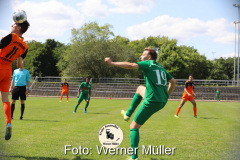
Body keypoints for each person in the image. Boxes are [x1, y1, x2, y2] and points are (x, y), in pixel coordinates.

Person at [105, 48, 176, 160]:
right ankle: (128, 114)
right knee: (140, 88)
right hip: (162, 101)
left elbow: (131, 65)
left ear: (148, 57)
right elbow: (173, 82)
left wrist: (112, 63)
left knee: (134, 127)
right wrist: (167, 94)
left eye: (143, 55)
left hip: (152, 101)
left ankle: (134, 157)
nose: (140, 57)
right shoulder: (160, 68)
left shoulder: (148, 64)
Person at [0, 20, 30, 140]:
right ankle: (8, 123)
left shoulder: (12, 36)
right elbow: (19, 65)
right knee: (5, 99)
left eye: (14, 24)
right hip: (7, 71)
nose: (12, 25)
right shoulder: (25, 46)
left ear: (19, 28)